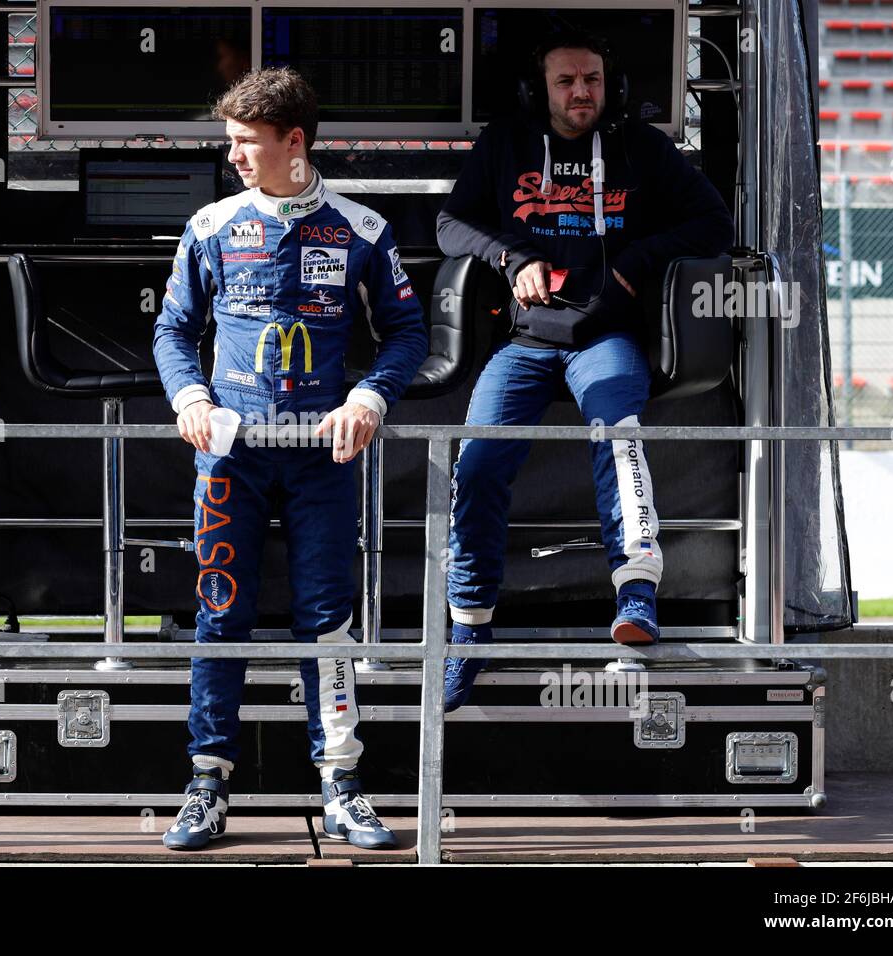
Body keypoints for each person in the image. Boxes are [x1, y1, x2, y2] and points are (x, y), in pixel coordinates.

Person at [152, 67, 428, 849]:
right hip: (230, 456)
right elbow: (173, 330)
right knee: (220, 615)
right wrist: (190, 399)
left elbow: (408, 334)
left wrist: (369, 398)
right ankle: (206, 785)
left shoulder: (362, 229)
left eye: (246, 143)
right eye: (231, 141)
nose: (234, 155)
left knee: (326, 621)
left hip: (320, 458)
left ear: (293, 142)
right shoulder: (210, 226)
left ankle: (342, 786)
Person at [437, 32, 735, 711]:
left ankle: (636, 597)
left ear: (612, 85)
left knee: (618, 438)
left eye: (593, 81)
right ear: (538, 90)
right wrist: (513, 259)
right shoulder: (506, 143)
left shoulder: (641, 147)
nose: (582, 94)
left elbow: (713, 223)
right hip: (524, 343)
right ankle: (470, 627)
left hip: (606, 337)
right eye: (568, 81)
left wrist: (635, 264)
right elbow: (451, 224)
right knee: (478, 463)